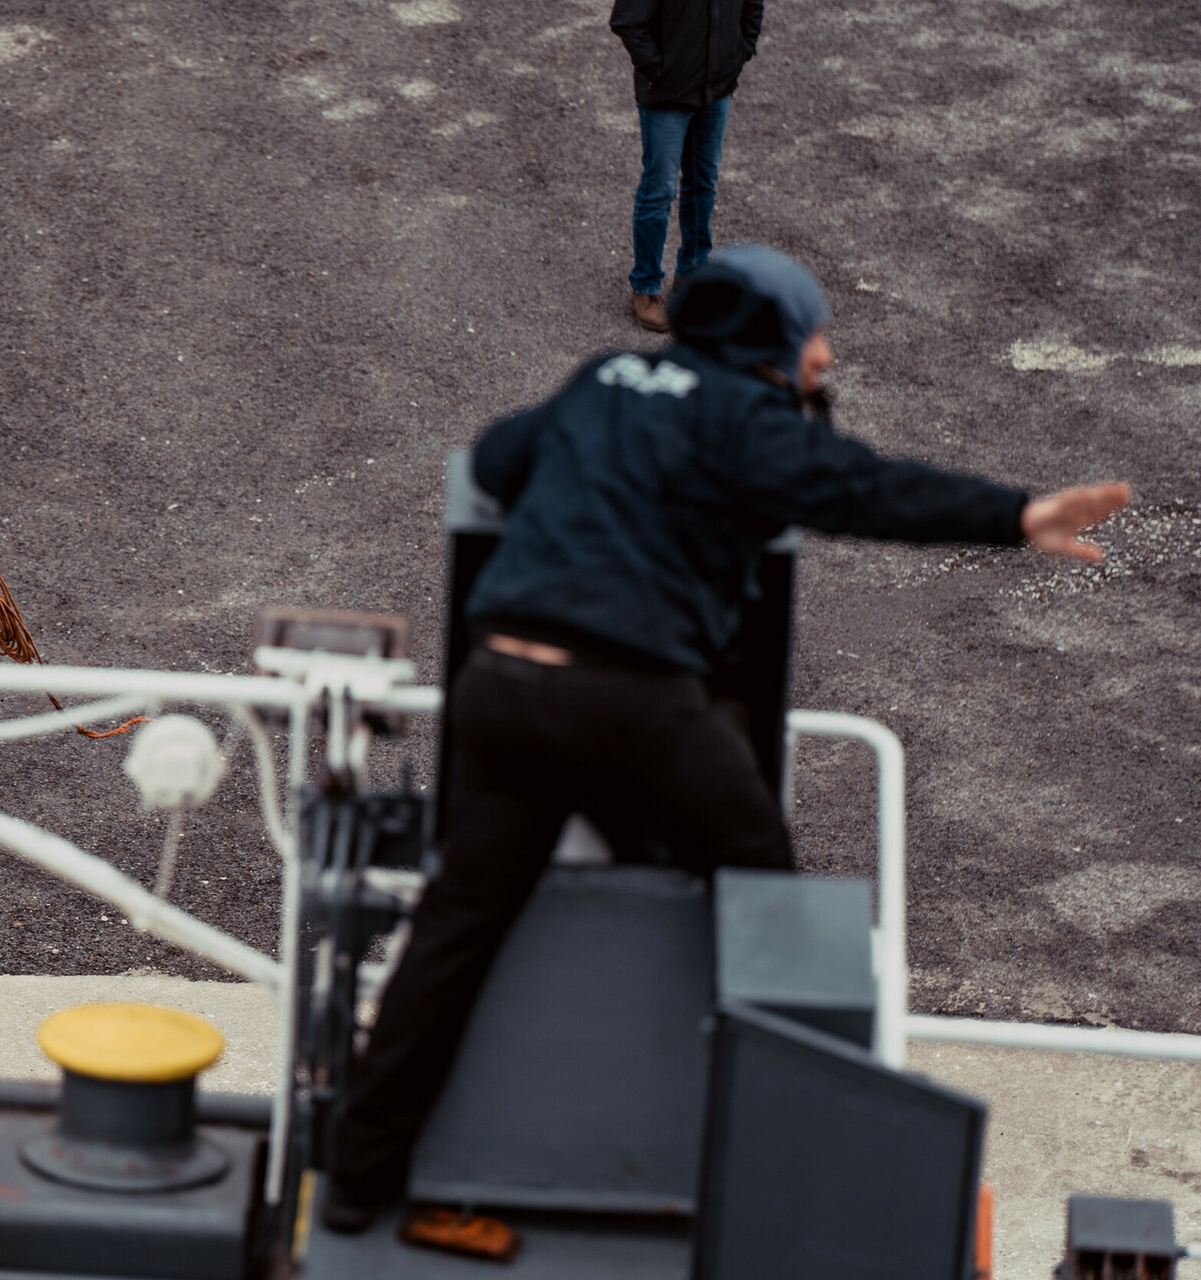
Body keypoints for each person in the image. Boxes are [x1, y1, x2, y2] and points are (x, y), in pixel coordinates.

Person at [322, 245, 1129, 1231]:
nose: (824, 355)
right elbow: (861, 489)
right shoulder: (746, 420)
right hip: (631, 704)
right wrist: (1017, 514)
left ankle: (356, 1181)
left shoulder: (604, 379)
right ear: (770, 336)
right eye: (814, 336)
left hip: (502, 690)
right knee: (761, 889)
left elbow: (496, 461)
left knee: (456, 928)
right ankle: (775, 1179)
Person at [610, 0, 763, 333]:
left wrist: (739, 52)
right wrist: (659, 70)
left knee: (703, 182)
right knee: (659, 189)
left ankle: (693, 272)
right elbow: (626, 20)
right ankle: (645, 288)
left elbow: (752, 6)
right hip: (666, 96)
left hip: (715, 90)